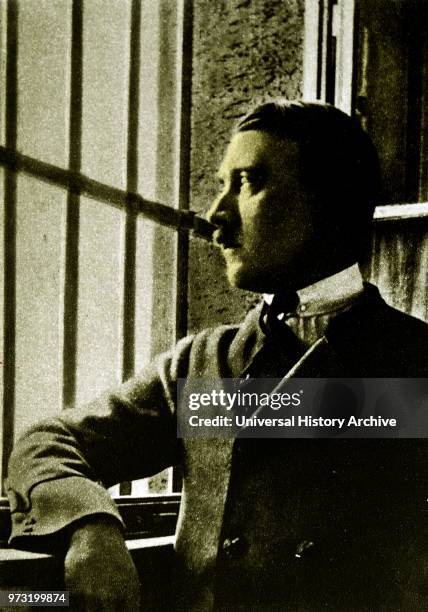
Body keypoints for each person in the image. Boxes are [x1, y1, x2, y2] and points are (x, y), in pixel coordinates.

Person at [6, 100, 428, 611]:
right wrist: (90, 525)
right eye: (221, 184)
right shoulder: (202, 364)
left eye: (247, 182)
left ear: (330, 201)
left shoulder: (415, 361)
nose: (215, 216)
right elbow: (47, 441)